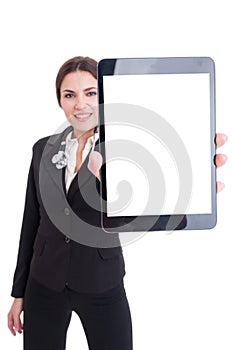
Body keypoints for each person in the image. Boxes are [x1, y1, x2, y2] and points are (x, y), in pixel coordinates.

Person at [7, 56, 227, 350]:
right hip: (43, 281)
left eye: (91, 93)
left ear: (105, 97)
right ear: (59, 100)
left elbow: (138, 212)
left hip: (100, 281)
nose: (80, 104)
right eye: (69, 95)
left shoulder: (126, 150)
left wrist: (193, 175)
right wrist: (18, 292)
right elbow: (31, 221)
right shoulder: (42, 149)